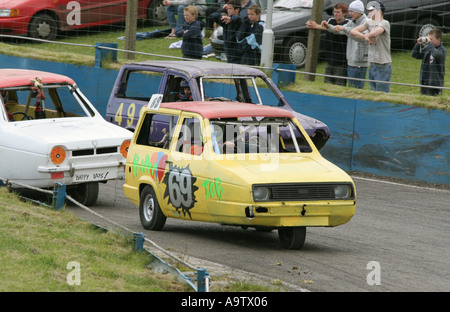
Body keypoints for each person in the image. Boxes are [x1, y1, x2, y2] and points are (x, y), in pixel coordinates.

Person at [350, 1, 392, 93]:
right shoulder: (369, 22)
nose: (369, 13)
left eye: (371, 11)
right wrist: (364, 36)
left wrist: (368, 35)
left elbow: (374, 33)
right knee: (372, 92)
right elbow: (353, 31)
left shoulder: (384, 23)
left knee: (382, 94)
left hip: (383, 64)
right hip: (372, 63)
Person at [326, 0, 369, 89]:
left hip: (359, 64)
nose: (349, 13)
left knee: (356, 91)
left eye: (351, 11)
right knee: (351, 90)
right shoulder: (352, 22)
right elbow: (341, 30)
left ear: (359, 11)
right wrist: (329, 27)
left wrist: (346, 30)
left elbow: (362, 39)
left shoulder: (366, 22)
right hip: (350, 62)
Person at [306, 3, 349, 86]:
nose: (335, 14)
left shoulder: (347, 24)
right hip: (329, 60)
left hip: (341, 62)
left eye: (338, 12)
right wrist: (315, 26)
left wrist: (317, 26)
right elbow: (327, 27)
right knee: (327, 84)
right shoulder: (330, 21)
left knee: (339, 86)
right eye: (334, 12)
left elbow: (335, 29)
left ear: (344, 13)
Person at [411, 28, 447, 96]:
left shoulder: (442, 50)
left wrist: (429, 44)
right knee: (423, 101)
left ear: (438, 40)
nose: (429, 41)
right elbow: (415, 55)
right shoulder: (428, 48)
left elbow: (436, 55)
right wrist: (418, 44)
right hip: (424, 80)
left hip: (435, 83)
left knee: (434, 102)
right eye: (428, 38)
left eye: (431, 39)